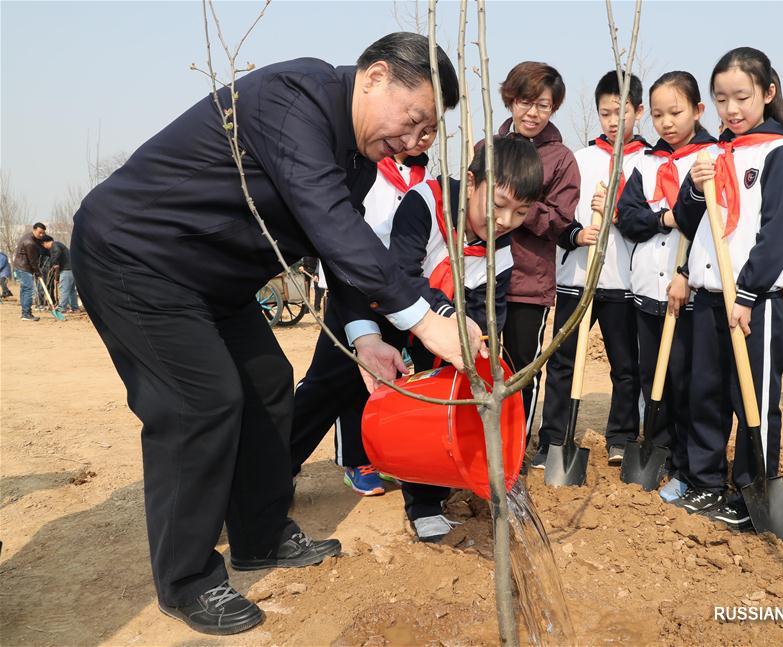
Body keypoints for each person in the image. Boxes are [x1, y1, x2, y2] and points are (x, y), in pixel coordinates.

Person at [70, 33, 471, 636]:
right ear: (375, 76)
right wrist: (424, 318)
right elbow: (331, 222)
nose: (413, 141)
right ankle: (186, 581)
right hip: (137, 257)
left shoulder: (356, 159)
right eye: (412, 120)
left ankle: (260, 535)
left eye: (426, 133)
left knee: (268, 382)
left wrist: (364, 335)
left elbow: (338, 243)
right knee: (199, 402)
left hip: (213, 280)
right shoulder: (294, 98)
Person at [673, 48, 783, 531]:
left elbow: (778, 233)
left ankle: (753, 490)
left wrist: (747, 293)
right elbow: (688, 221)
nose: (732, 109)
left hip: (755, 302)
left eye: (742, 97)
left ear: (767, 94)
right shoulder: (709, 155)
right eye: (722, 99)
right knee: (704, 394)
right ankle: (706, 482)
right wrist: (692, 186)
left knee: (753, 399)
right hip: (709, 298)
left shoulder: (779, 154)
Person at [387, 137, 543, 541]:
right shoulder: (425, 202)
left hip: (446, 329)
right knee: (329, 390)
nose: (506, 221)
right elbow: (400, 276)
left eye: (521, 212)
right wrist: (448, 317)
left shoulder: (500, 250)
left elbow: (488, 311)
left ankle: (425, 498)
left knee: (452, 396)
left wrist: (478, 345)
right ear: (472, 183)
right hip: (382, 312)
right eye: (499, 205)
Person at [290, 130, 435, 495]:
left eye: (431, 130)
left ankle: (368, 456)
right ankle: (279, 461)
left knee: (377, 381)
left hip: (397, 294)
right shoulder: (367, 171)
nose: (422, 137)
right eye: (416, 126)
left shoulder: (425, 180)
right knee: (329, 383)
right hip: (352, 289)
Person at [535, 71, 648, 468]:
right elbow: (557, 216)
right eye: (605, 113)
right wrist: (576, 235)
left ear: (639, 111)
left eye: (623, 111)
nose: (614, 121)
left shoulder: (650, 163)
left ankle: (621, 436)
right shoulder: (578, 160)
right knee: (563, 362)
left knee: (625, 364)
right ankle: (553, 437)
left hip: (625, 282)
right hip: (576, 279)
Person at [617, 71, 718, 501]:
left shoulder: (712, 158)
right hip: (646, 291)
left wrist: (686, 273)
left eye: (675, 112)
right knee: (650, 380)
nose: (666, 123)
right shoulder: (644, 162)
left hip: (689, 296)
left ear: (697, 110)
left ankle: (688, 468)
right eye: (657, 114)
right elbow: (628, 217)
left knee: (685, 383)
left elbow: (711, 224)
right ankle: (660, 453)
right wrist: (665, 218)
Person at [494, 62, 580, 443]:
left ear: (553, 109)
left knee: (519, 371)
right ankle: (478, 446)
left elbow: (562, 222)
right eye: (525, 101)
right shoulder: (487, 149)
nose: (532, 113)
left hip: (529, 283)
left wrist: (519, 204)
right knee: (475, 366)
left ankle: (513, 451)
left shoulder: (561, 159)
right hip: (482, 278)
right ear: (510, 99)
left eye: (543, 106)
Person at [13, 222, 46, 321]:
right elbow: (32, 261)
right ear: (34, 230)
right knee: (28, 289)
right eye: (40, 232)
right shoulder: (30, 242)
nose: (41, 235)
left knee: (24, 289)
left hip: (20, 266)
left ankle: (24, 312)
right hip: (24, 268)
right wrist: (38, 272)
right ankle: (26, 314)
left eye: (43, 233)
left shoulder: (30, 237)